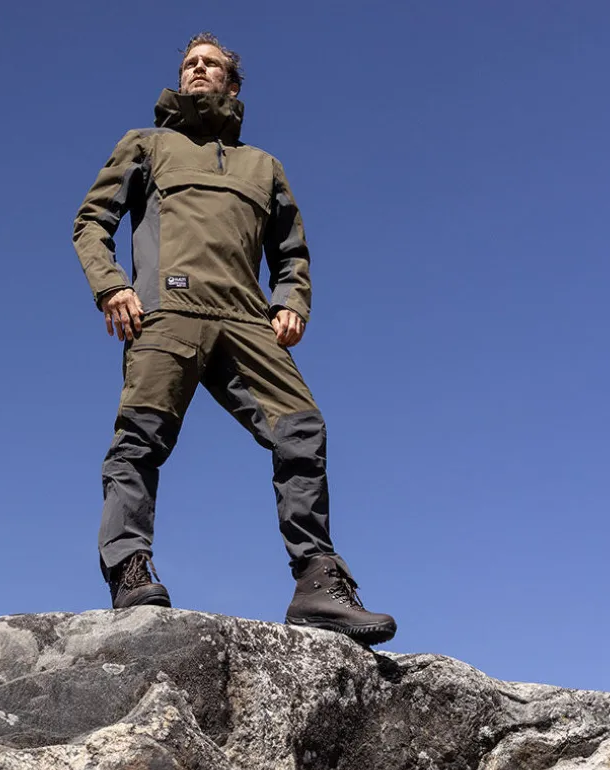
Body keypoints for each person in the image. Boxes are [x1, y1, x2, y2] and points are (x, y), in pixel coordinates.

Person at [73, 33, 397, 644]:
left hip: (247, 320)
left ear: (232, 82)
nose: (197, 70)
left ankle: (317, 582)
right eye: (189, 64)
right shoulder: (147, 144)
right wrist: (111, 285)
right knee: (139, 439)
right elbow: (91, 222)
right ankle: (129, 568)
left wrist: (291, 301)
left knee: (302, 429)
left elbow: (291, 252)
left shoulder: (263, 166)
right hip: (167, 312)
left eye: (210, 64)